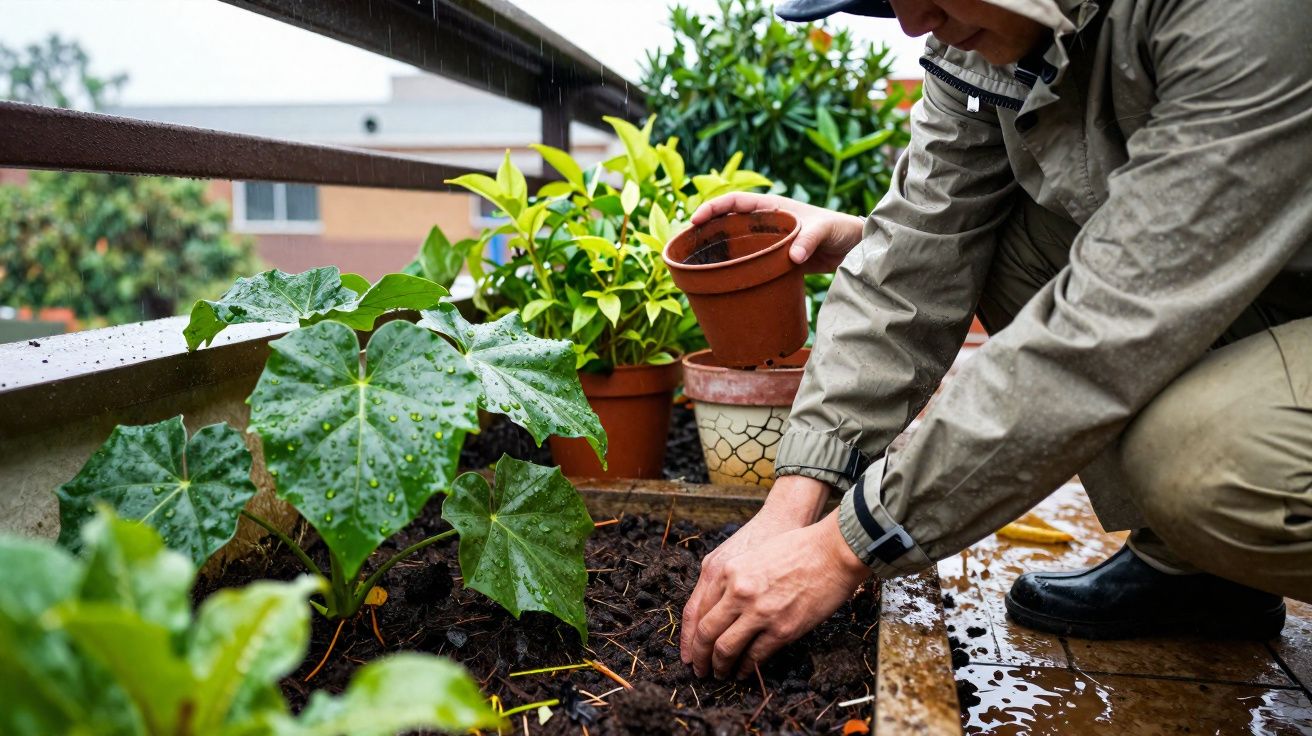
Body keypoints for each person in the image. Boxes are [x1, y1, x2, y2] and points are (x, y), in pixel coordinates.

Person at [679, 0, 1312, 681]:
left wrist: (844, 548)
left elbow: (1107, 328)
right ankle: (1198, 573)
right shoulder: (986, 44)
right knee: (1000, 242)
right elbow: (915, 259)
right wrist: (792, 505)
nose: (911, 23)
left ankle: (1213, 513)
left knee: (1208, 462)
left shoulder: (1236, 13)